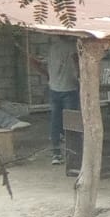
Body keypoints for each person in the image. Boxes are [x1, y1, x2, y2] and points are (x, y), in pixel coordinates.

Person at [30, 37, 79, 166]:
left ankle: (56, 154)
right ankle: (73, 153)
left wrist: (47, 75)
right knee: (72, 122)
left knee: (55, 121)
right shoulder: (71, 46)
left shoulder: (52, 48)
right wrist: (80, 77)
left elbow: (34, 62)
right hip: (69, 88)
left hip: (54, 88)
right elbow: (77, 63)